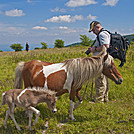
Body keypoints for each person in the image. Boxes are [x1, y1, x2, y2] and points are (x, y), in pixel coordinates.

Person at [88, 21, 111, 103]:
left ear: (97, 27)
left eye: (93, 30)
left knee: (100, 80)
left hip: (101, 61)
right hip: (104, 60)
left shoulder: (102, 34)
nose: (93, 32)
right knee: (104, 80)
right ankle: (105, 98)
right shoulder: (104, 33)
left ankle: (99, 100)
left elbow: (105, 46)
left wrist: (95, 49)